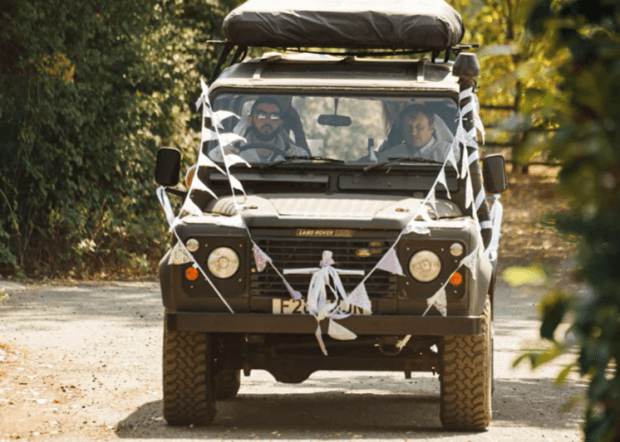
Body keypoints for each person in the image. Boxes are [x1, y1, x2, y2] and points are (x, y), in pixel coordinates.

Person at [211, 97, 307, 163]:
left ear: (280, 122)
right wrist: (223, 159)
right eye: (261, 115)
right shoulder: (230, 149)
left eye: (274, 116)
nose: (268, 121)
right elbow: (209, 164)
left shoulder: (297, 154)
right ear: (250, 119)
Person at [376, 104, 458, 163]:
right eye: (408, 127)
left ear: (431, 128)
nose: (413, 132)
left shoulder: (447, 153)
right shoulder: (391, 155)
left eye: (419, 127)